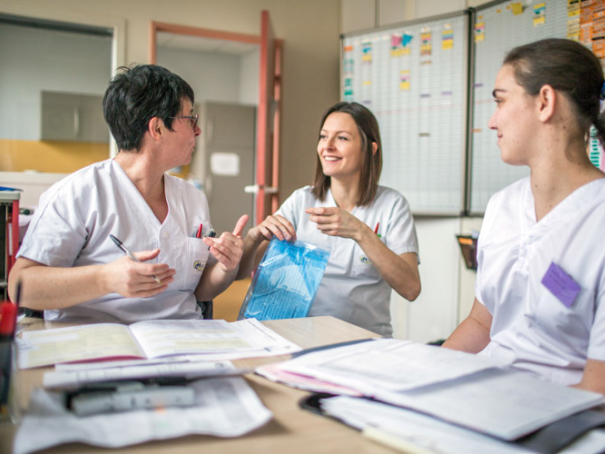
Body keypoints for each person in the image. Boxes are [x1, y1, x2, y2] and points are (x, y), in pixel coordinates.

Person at [442, 38, 605, 437]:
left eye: (500, 101)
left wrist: (497, 421)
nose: (493, 121)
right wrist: (421, 380)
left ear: (545, 102)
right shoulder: (502, 207)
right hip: (495, 407)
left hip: (591, 432)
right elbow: (483, 322)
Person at [8, 64, 247, 323]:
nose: (198, 131)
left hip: (181, 341)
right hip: (98, 345)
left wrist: (225, 267)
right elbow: (21, 286)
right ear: (157, 129)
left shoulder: (192, 198)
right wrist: (105, 279)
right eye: (190, 119)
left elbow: (199, 290)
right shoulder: (78, 194)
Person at [237, 102, 421, 336]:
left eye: (342, 138)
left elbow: (411, 288)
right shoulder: (301, 201)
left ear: (371, 148)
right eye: (324, 137)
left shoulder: (392, 205)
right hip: (298, 336)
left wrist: (360, 232)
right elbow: (241, 273)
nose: (328, 146)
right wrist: (253, 238)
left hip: (364, 341)